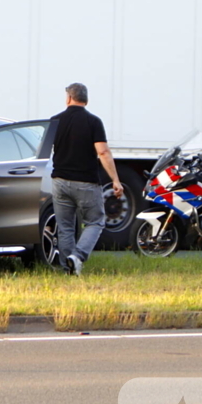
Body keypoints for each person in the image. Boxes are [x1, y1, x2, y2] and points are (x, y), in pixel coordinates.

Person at [50, 82, 122, 276]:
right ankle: (78, 256)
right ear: (86, 99)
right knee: (95, 221)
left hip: (59, 181)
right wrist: (115, 179)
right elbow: (103, 152)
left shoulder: (55, 121)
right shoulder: (93, 122)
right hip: (86, 183)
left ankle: (68, 269)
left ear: (68, 98)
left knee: (65, 227)